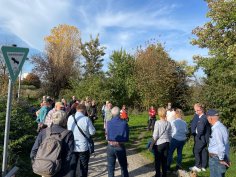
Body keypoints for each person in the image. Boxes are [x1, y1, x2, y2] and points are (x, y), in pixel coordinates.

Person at [30, 110, 74, 177]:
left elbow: (33, 151)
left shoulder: (44, 131)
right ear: (65, 120)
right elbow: (69, 154)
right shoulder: (68, 134)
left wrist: (38, 163)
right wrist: (63, 168)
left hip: (44, 168)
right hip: (59, 169)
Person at [67, 104, 96, 177]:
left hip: (72, 146)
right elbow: (92, 132)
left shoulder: (70, 117)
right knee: (83, 167)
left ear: (77, 109)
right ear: (84, 110)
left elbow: (68, 130)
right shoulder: (86, 119)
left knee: (72, 167)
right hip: (83, 147)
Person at [206, 109, 230, 177]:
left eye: (207, 117)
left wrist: (221, 159)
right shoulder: (222, 127)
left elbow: (221, 145)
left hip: (216, 158)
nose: (207, 119)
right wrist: (226, 157)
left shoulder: (216, 129)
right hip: (219, 157)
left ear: (210, 118)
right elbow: (226, 144)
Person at [107, 106, 129, 177]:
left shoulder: (108, 123)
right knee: (123, 166)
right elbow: (126, 137)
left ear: (112, 113)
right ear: (119, 113)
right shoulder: (124, 123)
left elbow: (107, 134)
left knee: (110, 167)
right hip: (120, 146)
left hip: (110, 146)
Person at [189, 103, 211, 172]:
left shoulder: (202, 118)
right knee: (203, 151)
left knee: (196, 151)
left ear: (201, 110)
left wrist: (197, 136)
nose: (196, 112)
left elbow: (200, 129)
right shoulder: (205, 116)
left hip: (201, 138)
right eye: (195, 110)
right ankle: (203, 166)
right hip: (205, 138)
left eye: (197, 110)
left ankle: (198, 166)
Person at [153, 107, 172, 177]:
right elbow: (170, 134)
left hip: (159, 144)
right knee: (164, 160)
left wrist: (153, 141)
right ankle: (164, 174)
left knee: (157, 160)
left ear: (159, 114)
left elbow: (155, 136)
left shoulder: (157, 123)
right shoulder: (168, 123)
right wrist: (168, 141)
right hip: (167, 143)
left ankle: (158, 174)